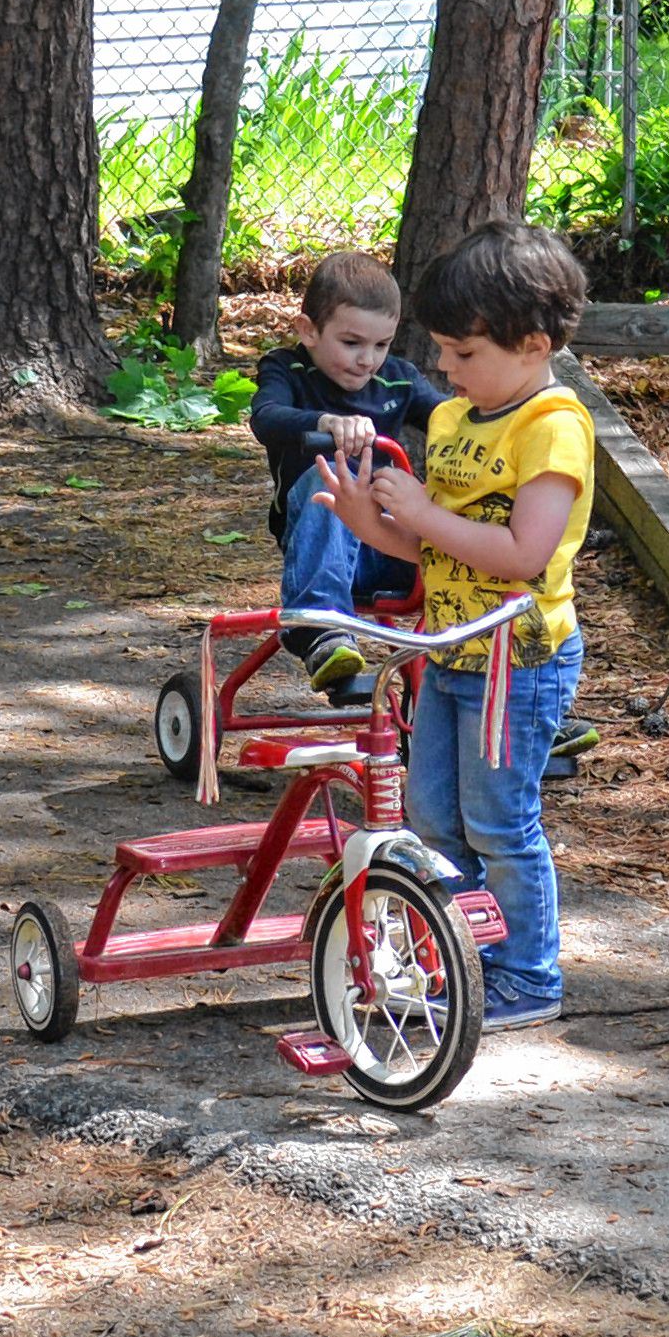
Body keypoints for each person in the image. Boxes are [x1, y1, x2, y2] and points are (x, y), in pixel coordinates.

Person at [310, 224, 593, 1029]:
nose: (444, 368)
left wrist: (425, 512)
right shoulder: (458, 419)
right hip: (449, 651)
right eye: (441, 351)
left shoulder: (551, 425)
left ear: (534, 342)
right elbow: (433, 548)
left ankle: (528, 975)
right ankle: (463, 960)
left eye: (463, 353)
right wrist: (372, 524)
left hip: (519, 659)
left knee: (500, 822)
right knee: (432, 817)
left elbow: (522, 552)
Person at [246, 249, 447, 696]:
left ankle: (512, 681)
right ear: (309, 331)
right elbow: (266, 416)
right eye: (352, 343)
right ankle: (319, 627)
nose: (367, 360)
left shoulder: (399, 379)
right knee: (329, 479)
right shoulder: (289, 371)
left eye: (381, 345)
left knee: (448, 487)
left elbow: (451, 420)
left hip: (392, 547)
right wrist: (323, 422)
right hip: (320, 545)